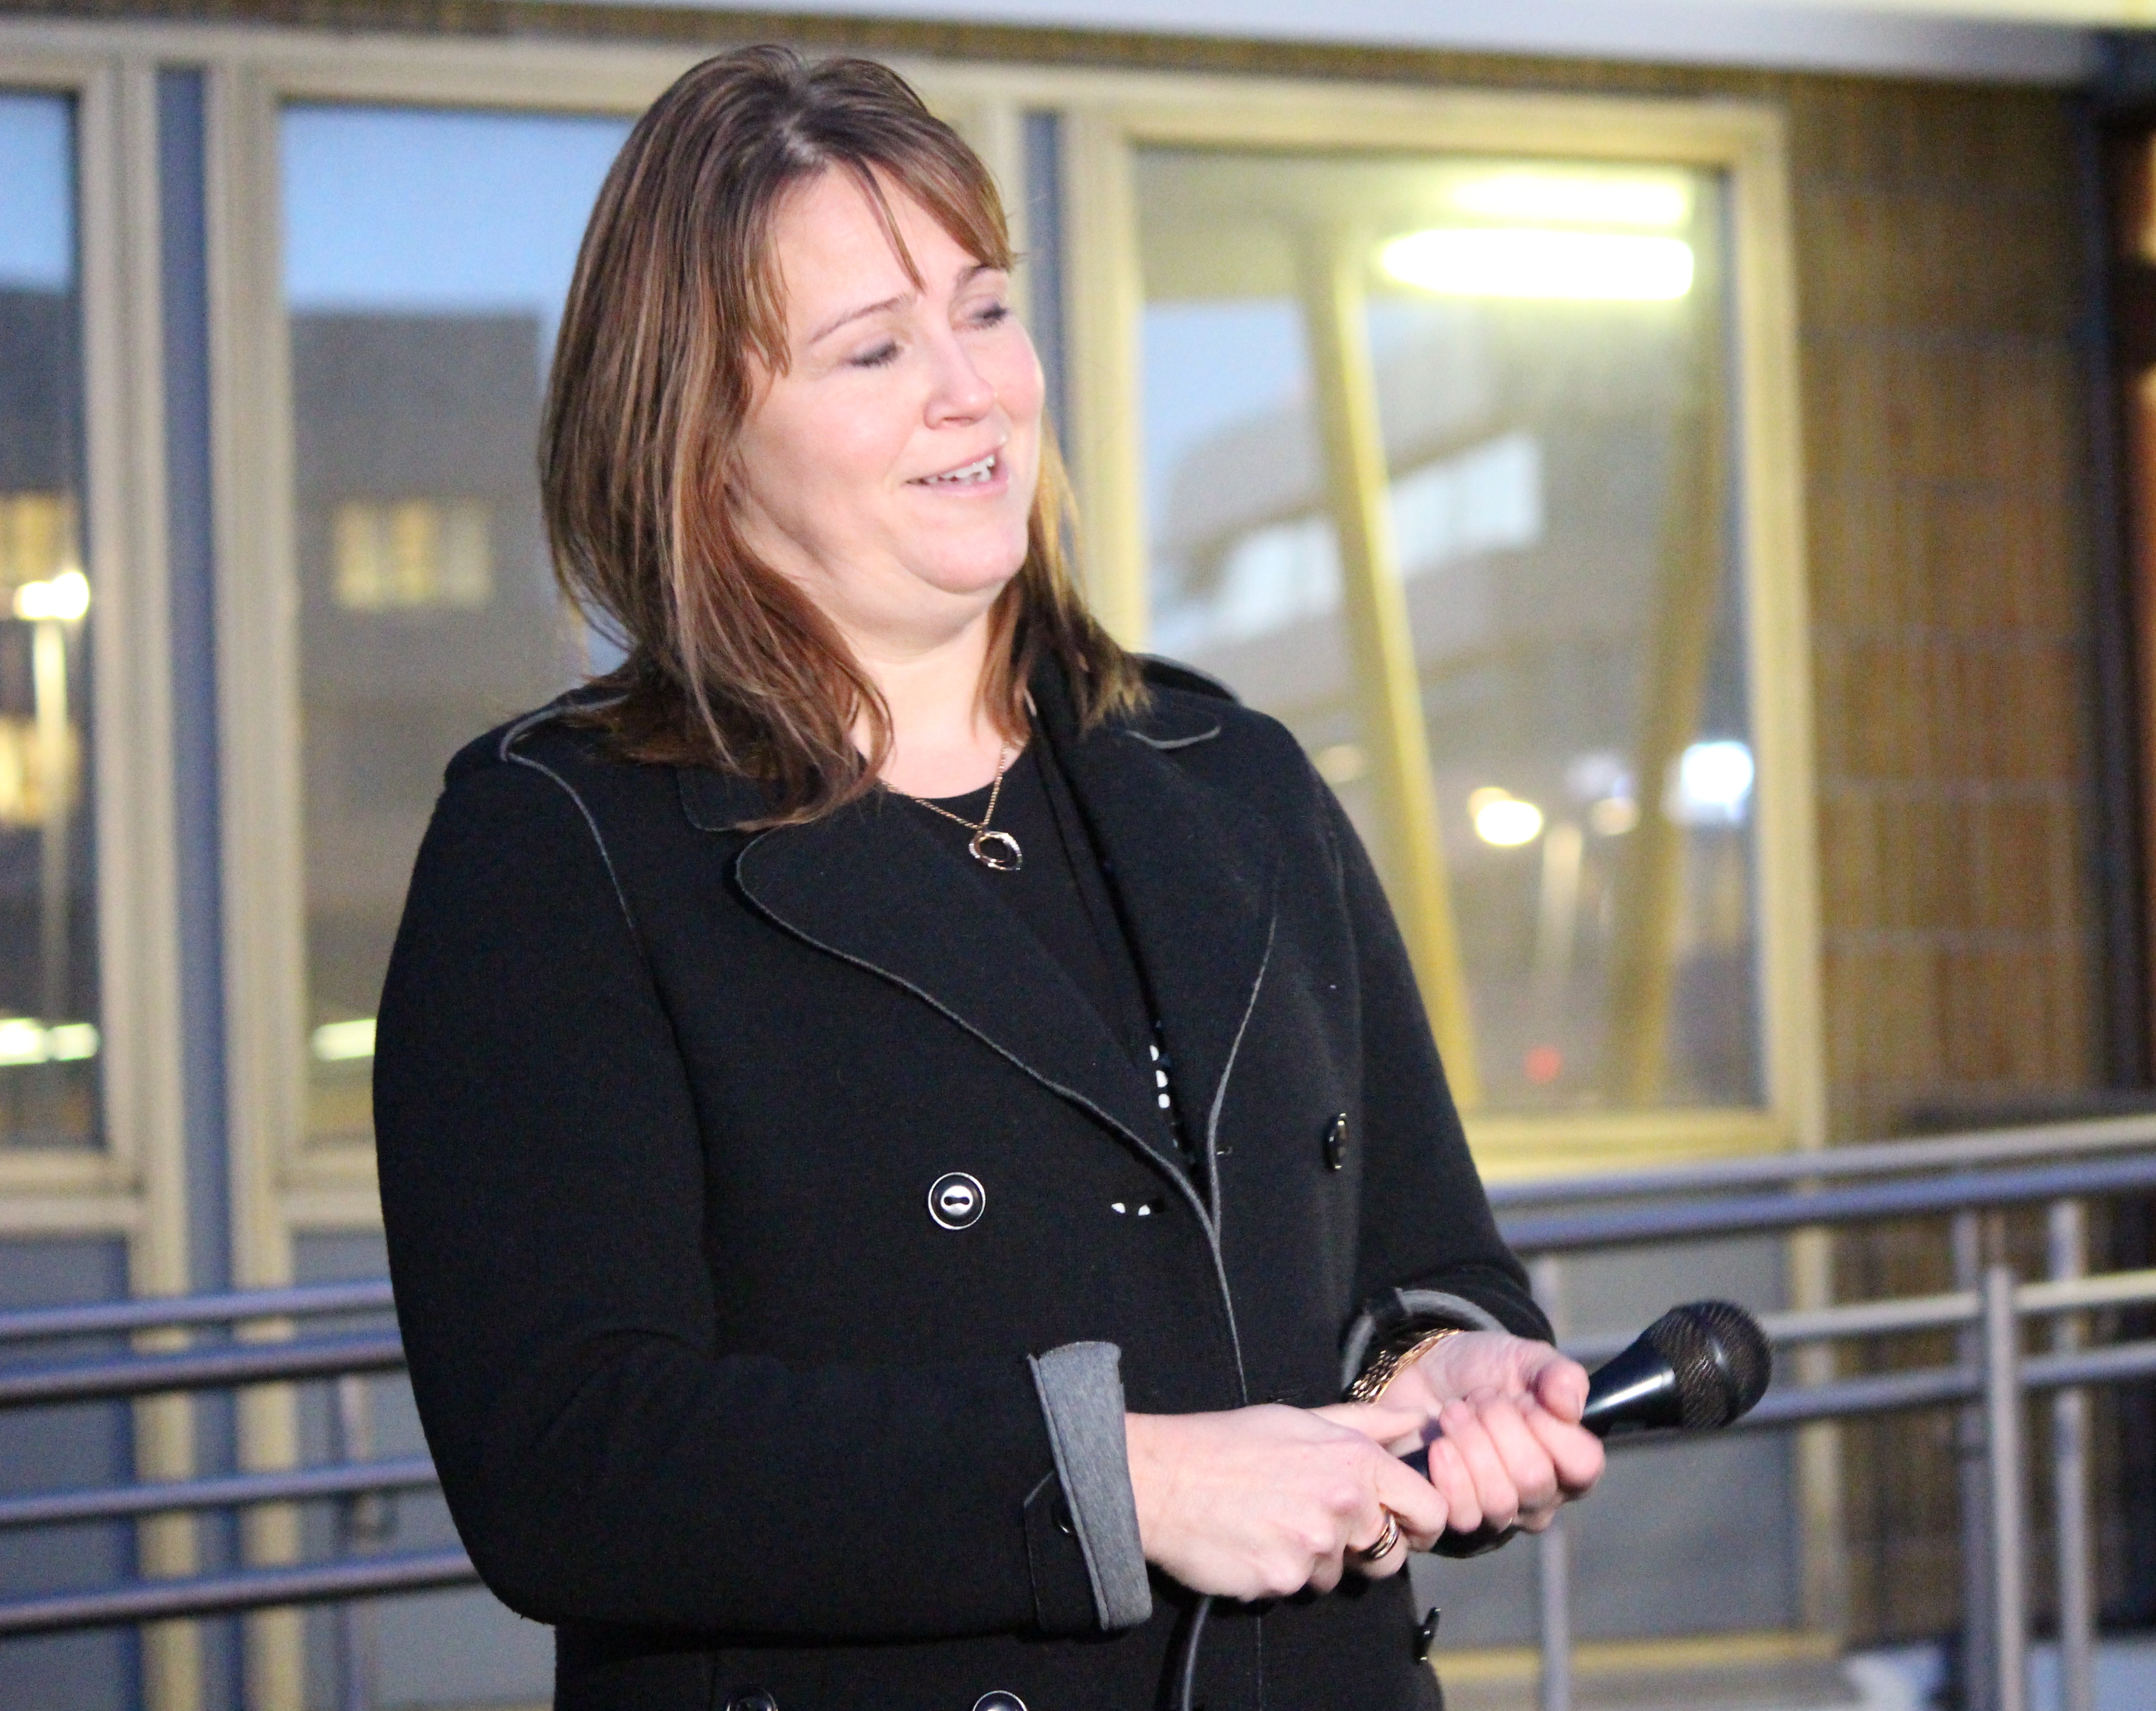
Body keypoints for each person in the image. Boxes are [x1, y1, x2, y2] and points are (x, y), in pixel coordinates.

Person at [372, 43, 1604, 1711]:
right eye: (873, 348)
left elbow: (1418, 1256)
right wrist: (1133, 1484)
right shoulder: (562, 844)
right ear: (698, 439)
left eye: (985, 309)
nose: (973, 391)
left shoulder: (1231, 777)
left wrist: (1455, 1371)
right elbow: (572, 1459)